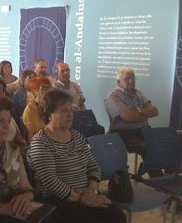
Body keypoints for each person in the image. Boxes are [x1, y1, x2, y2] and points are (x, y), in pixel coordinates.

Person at [27, 89, 126, 223]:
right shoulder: (40, 142)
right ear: (49, 114)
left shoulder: (76, 136)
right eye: (64, 111)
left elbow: (93, 166)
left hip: (85, 193)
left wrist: (91, 191)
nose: (70, 115)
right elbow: (51, 182)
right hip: (58, 200)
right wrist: (84, 199)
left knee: (118, 216)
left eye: (71, 110)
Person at [104, 68, 159, 176]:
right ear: (118, 82)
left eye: (132, 78)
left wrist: (139, 111)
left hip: (143, 130)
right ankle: (158, 179)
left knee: (164, 141)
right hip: (123, 133)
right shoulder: (113, 96)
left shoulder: (138, 93)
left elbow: (155, 111)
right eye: (127, 79)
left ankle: (168, 171)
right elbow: (127, 117)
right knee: (148, 146)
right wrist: (145, 116)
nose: (131, 81)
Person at [22, 77, 52, 144]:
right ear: (35, 91)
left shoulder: (52, 106)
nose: (48, 91)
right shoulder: (30, 109)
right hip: (38, 144)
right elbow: (35, 132)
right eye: (44, 88)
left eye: (49, 88)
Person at [11, 70, 36, 139]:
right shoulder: (19, 93)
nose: (32, 80)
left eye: (34, 78)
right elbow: (15, 114)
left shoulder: (36, 92)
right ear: (24, 80)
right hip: (23, 124)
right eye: (30, 78)